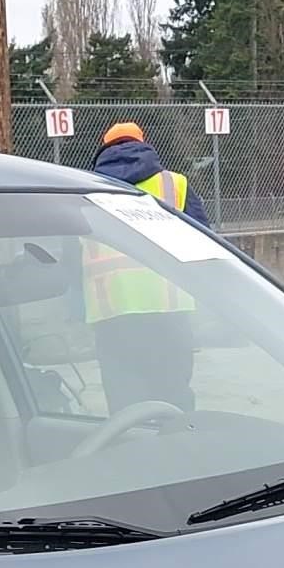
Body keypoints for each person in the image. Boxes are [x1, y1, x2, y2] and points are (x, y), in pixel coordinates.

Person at [84, 124, 206, 416]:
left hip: (111, 315)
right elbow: (203, 241)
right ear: (143, 142)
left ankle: (134, 456)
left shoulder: (85, 189)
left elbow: (71, 252)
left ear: (105, 146)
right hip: (170, 311)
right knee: (174, 396)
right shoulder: (174, 184)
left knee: (125, 401)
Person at [91, 121, 210, 225]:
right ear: (141, 142)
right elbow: (201, 229)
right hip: (163, 250)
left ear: (106, 146)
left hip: (111, 251)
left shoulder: (92, 184)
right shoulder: (174, 181)